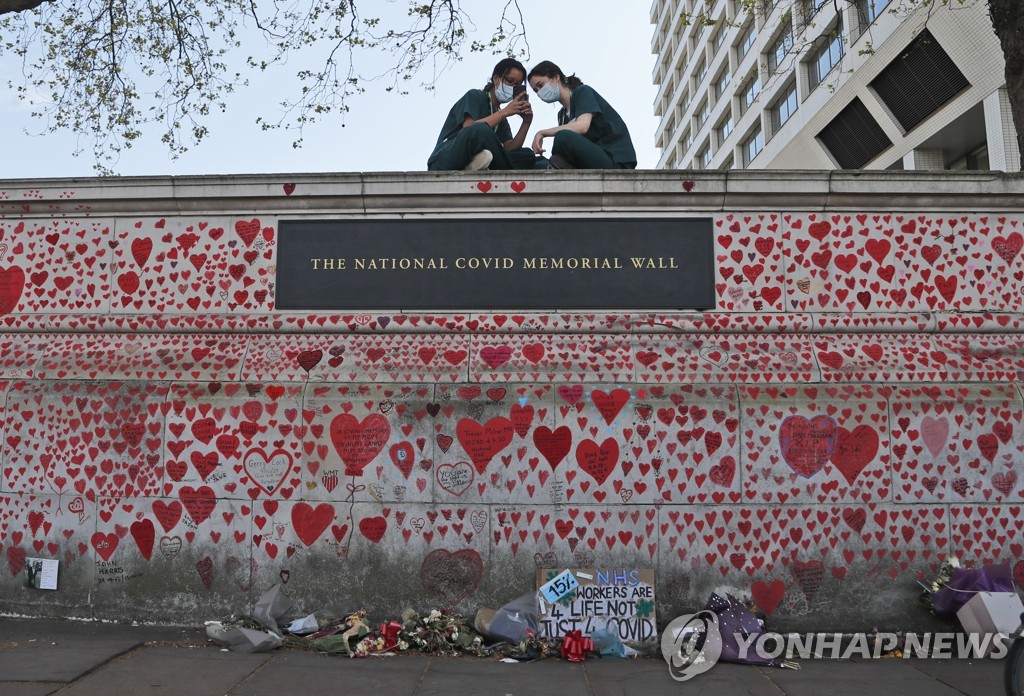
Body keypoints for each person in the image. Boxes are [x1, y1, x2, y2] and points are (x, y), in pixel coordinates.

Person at [427, 58, 538, 171]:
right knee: (480, 128)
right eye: (509, 81)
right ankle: (488, 164)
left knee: (527, 155)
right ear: (496, 79)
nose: (513, 87)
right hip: (446, 159)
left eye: (517, 85)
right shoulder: (475, 96)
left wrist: (526, 122)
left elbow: (510, 148)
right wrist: (504, 112)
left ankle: (477, 163)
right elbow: (470, 128)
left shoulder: (501, 118)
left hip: (485, 156)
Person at [527, 61, 637, 169]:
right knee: (537, 163)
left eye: (540, 85)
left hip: (614, 159)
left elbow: (582, 126)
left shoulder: (582, 92)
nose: (539, 92)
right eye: (535, 90)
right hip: (589, 161)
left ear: (556, 78)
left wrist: (542, 133)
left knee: (563, 137)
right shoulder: (561, 115)